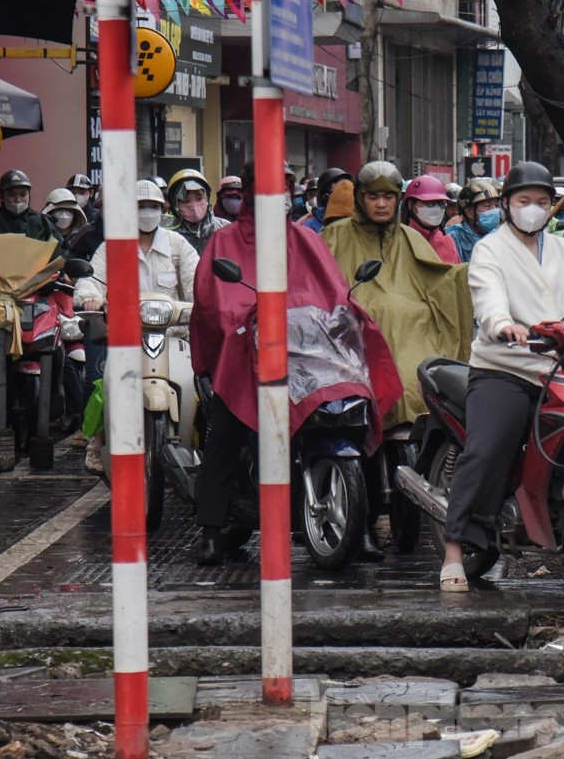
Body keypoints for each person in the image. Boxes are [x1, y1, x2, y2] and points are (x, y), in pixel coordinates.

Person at [189, 169, 402, 565]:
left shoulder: (306, 239)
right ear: (251, 195)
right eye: (270, 189)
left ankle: (367, 524)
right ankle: (212, 529)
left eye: (284, 190)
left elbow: (334, 293)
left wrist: (346, 315)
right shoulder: (225, 241)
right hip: (247, 358)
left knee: (360, 415)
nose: (279, 197)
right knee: (225, 429)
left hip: (312, 358)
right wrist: (251, 322)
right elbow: (216, 305)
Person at [437, 161, 564, 593]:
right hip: (504, 367)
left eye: (541, 202)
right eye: (523, 201)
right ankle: (454, 547)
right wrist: (502, 324)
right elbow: (488, 295)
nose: (533, 209)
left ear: (552, 206)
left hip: (559, 367)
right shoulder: (490, 249)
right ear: (508, 205)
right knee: (487, 447)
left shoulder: (561, 249)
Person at [321, 161, 472, 430]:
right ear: (360, 197)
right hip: (352, 334)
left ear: (398, 200)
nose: (381, 204)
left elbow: (440, 279)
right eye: (373, 196)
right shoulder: (334, 236)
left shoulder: (410, 238)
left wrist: (473, 273)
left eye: (388, 196)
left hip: (412, 333)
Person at [74, 180, 199, 472]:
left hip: (175, 337)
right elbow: (91, 279)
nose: (147, 212)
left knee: (204, 387)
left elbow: (197, 282)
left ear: (164, 210)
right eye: (140, 207)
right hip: (129, 339)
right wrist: (90, 297)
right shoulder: (113, 247)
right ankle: (100, 440)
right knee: (108, 383)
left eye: (153, 207)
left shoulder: (177, 244)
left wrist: (205, 302)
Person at [0, 170, 60, 245]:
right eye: (12, 195)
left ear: (29, 195)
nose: (18, 199)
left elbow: (60, 250)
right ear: (2, 196)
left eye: (23, 194)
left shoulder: (41, 222)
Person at [165, 168, 229, 255]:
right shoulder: (167, 233)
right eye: (186, 201)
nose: (194, 206)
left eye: (199, 198)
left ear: (207, 198)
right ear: (175, 204)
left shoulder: (224, 227)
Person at [401, 175, 460, 263]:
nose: (436, 209)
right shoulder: (400, 241)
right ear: (411, 205)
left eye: (441, 204)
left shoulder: (447, 242)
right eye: (430, 203)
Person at [446, 178, 503, 263]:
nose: (494, 210)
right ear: (469, 212)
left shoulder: (500, 236)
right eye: (487, 206)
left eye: (496, 205)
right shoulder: (453, 238)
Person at [43, 188, 101, 262]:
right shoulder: (41, 237)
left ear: (76, 213)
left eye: (68, 210)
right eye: (59, 210)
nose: (64, 215)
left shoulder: (82, 238)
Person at [301, 167, 352, 234]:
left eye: (350, 190)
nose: (346, 195)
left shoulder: (360, 224)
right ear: (325, 196)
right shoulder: (309, 228)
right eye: (339, 192)